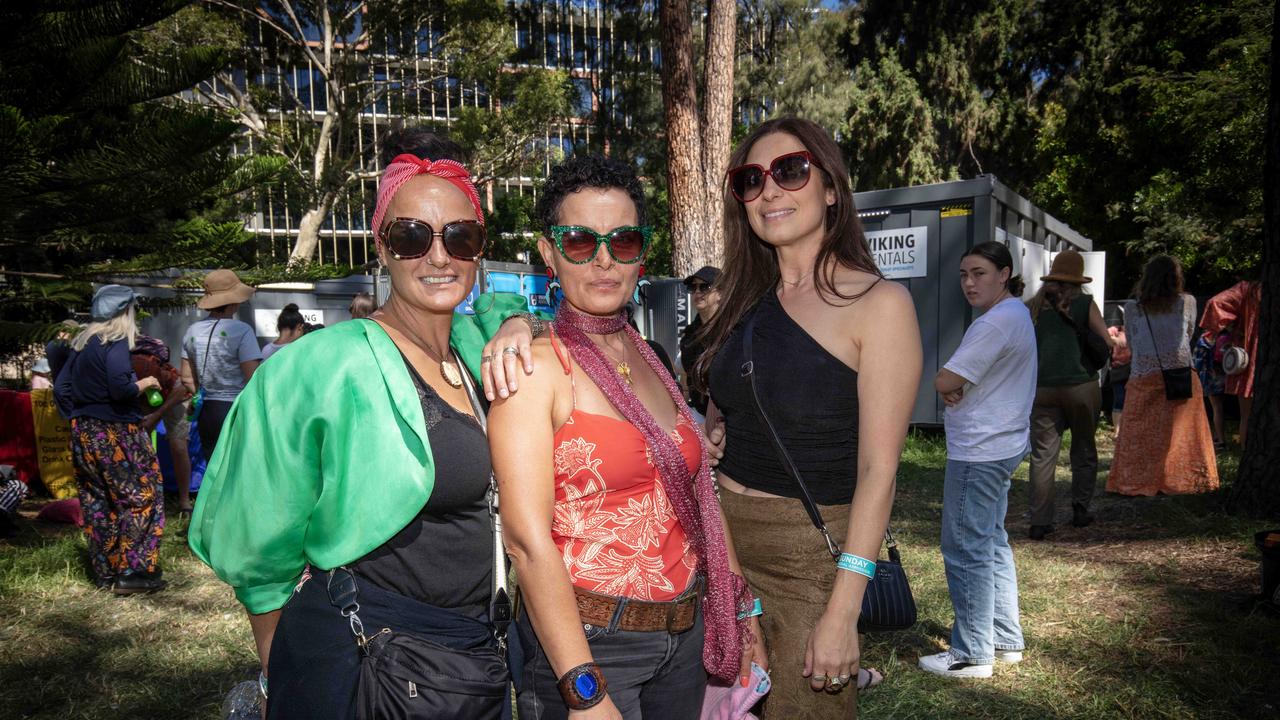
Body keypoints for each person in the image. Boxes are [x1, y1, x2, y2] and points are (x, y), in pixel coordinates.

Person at [189, 130, 527, 718]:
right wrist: (280, 674)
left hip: (471, 657)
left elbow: (546, 316)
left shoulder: (475, 349)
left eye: (460, 236)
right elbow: (257, 543)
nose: (439, 256)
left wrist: (523, 319)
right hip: (365, 659)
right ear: (381, 246)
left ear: (479, 248)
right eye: (411, 236)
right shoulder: (317, 365)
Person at [490, 155, 760, 720]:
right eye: (581, 242)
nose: (605, 261)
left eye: (625, 241)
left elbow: (699, 490)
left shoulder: (650, 356)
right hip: (589, 643)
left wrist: (739, 605)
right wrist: (583, 691)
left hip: (683, 639)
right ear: (549, 254)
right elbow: (525, 542)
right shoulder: (537, 367)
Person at [697, 117, 922, 717]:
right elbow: (724, 416)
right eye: (751, 179)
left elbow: (879, 470)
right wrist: (710, 435)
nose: (769, 191)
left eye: (790, 171)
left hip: (810, 556)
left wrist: (844, 608)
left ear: (830, 189)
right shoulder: (739, 306)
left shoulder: (878, 305)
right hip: (720, 545)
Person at [919, 242, 1035, 679]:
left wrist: (945, 381)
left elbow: (945, 377)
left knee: (966, 546)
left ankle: (971, 653)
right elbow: (961, 379)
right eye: (964, 274)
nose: (969, 282)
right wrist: (954, 383)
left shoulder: (996, 323)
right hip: (1000, 444)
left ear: (1004, 274)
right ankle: (1004, 638)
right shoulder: (1015, 314)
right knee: (990, 541)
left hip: (981, 450)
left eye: (980, 273)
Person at [53, 285, 166, 594]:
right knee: (141, 497)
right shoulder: (114, 342)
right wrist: (144, 383)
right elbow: (121, 388)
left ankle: (106, 572)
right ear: (124, 312)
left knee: (98, 502)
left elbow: (60, 389)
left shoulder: (82, 343)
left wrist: (79, 417)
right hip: (117, 432)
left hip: (84, 431)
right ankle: (134, 571)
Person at [1107, 256, 1219, 496]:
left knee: (1141, 435)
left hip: (1143, 375)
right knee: (1183, 433)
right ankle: (1186, 480)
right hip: (1180, 374)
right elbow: (1187, 336)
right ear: (1176, 277)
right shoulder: (1187, 302)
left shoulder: (1133, 307)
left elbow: (1134, 344)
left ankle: (1136, 481)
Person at [1025, 250, 1113, 540]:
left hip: (1042, 389)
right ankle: (1080, 510)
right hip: (1081, 386)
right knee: (1084, 449)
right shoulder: (1085, 303)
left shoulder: (1033, 306)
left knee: (1042, 456)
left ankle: (1039, 521)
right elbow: (1106, 342)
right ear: (1078, 278)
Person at [180, 270, 262, 463]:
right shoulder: (242, 330)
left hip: (206, 410)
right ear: (234, 301)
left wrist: (200, 393)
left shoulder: (192, 330)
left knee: (212, 467)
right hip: (234, 408)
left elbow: (186, 378)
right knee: (237, 467)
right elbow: (253, 376)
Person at [130, 333, 196, 512]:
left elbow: (181, 388)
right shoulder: (120, 365)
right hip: (146, 400)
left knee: (178, 446)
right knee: (136, 444)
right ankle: (141, 495)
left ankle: (184, 500)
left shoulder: (148, 367)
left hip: (175, 398)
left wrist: (157, 415)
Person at [1200, 279, 1261, 447]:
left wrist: (1234, 329)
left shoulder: (1248, 289)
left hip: (1251, 359)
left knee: (1247, 416)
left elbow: (1216, 304)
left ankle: (1249, 463)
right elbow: (1215, 303)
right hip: (1254, 358)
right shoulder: (1249, 289)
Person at [679, 265, 722, 415]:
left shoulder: (735, 331)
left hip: (729, 419)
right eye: (693, 287)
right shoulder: (689, 337)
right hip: (698, 416)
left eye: (705, 287)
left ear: (721, 294)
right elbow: (686, 380)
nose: (697, 292)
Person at [1191, 329, 1227, 448]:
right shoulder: (1228, 336)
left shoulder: (1205, 338)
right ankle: (1218, 434)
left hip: (1211, 377)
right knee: (1220, 407)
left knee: (1217, 408)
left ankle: (1221, 440)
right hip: (1225, 374)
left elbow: (1197, 361)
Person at [1106, 322, 1131, 435]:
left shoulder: (1136, 331)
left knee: (1129, 400)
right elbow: (1106, 336)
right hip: (1118, 372)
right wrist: (1114, 339)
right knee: (1119, 399)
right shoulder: (1116, 331)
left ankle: (1127, 428)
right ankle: (1117, 430)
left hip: (1132, 371)